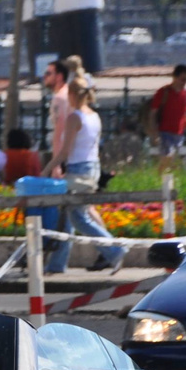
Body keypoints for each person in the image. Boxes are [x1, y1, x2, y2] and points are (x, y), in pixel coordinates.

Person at [41, 77, 128, 273]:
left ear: (72, 94)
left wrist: (46, 169)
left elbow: (64, 151)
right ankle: (56, 264)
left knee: (79, 218)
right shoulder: (94, 116)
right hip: (92, 168)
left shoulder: (75, 117)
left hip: (78, 171)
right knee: (69, 214)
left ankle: (115, 250)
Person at [147, 64, 186, 166]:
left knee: (174, 162)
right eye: (182, 79)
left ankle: (167, 180)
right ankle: (161, 179)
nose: (184, 83)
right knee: (167, 159)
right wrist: (154, 133)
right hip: (164, 133)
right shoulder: (164, 92)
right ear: (174, 77)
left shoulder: (185, 94)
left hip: (179, 134)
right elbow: (153, 114)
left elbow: (185, 115)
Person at [42, 58, 71, 154]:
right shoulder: (69, 93)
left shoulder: (59, 98)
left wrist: (56, 164)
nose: (44, 76)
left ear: (59, 76)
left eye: (48, 73)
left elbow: (59, 132)